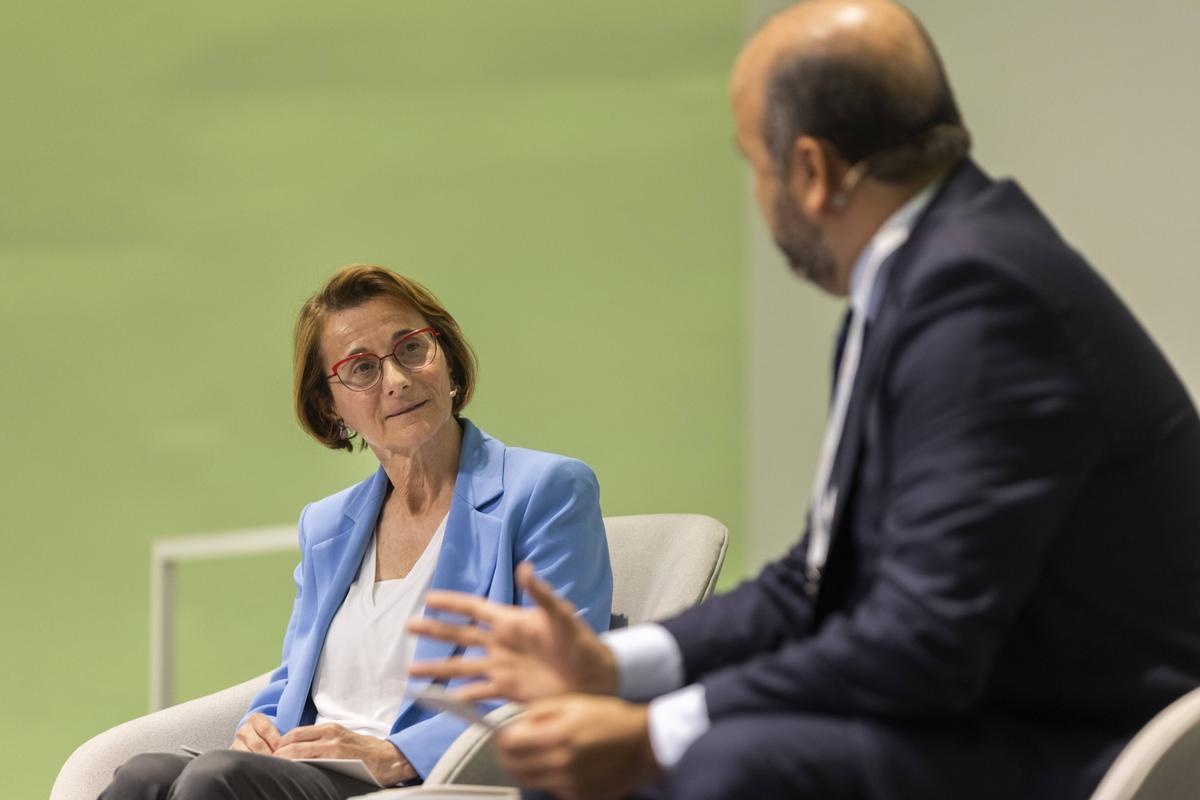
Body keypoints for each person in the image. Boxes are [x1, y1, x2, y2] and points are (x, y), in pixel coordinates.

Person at [406, 2, 1200, 799]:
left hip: (1077, 741)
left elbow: (922, 641)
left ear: (813, 172)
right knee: (591, 764)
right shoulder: (925, 281)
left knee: (699, 767)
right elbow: (814, 583)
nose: (757, 191)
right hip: (982, 710)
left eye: (754, 163)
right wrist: (612, 667)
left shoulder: (978, 302)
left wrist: (656, 731)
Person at [99, 264, 613, 800]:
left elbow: (562, 680)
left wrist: (398, 755)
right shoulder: (327, 525)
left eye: (411, 349)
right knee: (143, 777)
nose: (397, 380)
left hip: (423, 783)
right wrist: (258, 726)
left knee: (217, 780)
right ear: (330, 404)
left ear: (447, 358)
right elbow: (294, 677)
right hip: (311, 767)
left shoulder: (545, 490)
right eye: (362, 368)